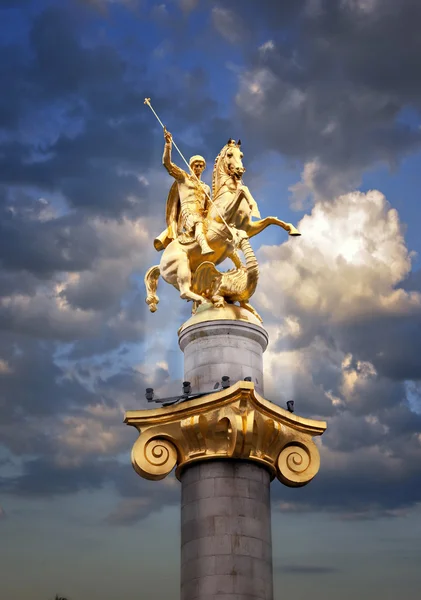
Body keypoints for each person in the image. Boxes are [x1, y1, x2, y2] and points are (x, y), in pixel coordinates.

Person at [153, 128, 213, 254]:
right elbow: (167, 163)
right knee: (198, 222)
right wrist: (168, 145)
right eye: (196, 165)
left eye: (201, 165)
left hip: (201, 216)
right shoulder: (183, 178)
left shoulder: (206, 187)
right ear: (191, 166)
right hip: (188, 215)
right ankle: (204, 248)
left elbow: (209, 206)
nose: (198, 167)